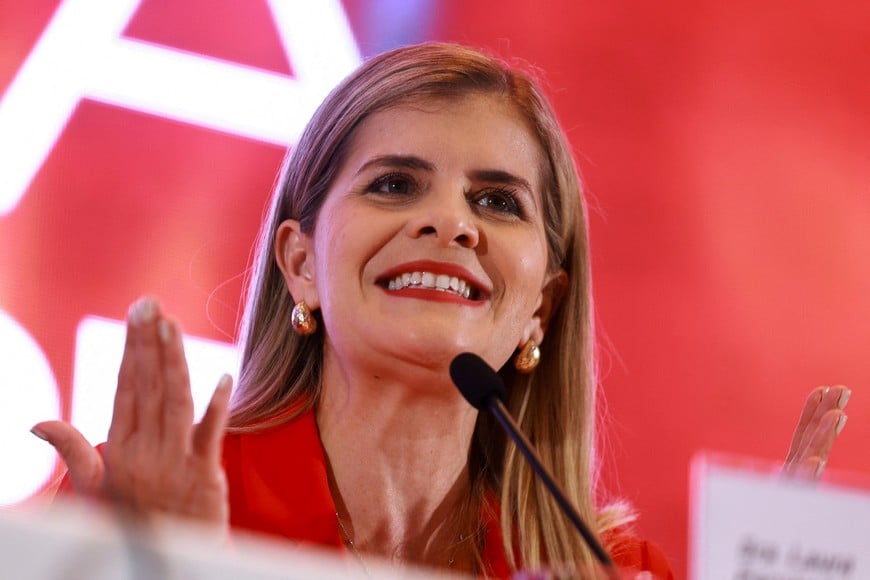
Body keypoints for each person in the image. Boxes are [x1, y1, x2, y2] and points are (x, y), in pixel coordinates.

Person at [31, 42, 849, 578]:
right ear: (300, 264)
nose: (452, 223)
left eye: (497, 201)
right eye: (394, 184)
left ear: (542, 308)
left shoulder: (610, 570)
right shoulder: (146, 505)